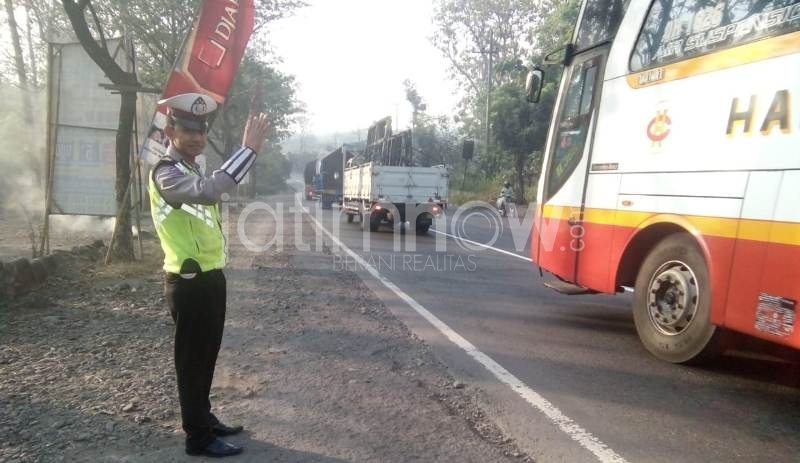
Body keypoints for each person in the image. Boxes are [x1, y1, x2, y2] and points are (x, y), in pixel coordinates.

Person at [148, 92, 269, 458]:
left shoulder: (190, 168)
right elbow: (212, 189)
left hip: (210, 278)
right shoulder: (166, 174)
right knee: (192, 361)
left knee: (208, 355)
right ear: (170, 130)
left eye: (201, 132)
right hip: (188, 282)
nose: (197, 138)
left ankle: (204, 417)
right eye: (188, 131)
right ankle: (197, 437)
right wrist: (247, 150)